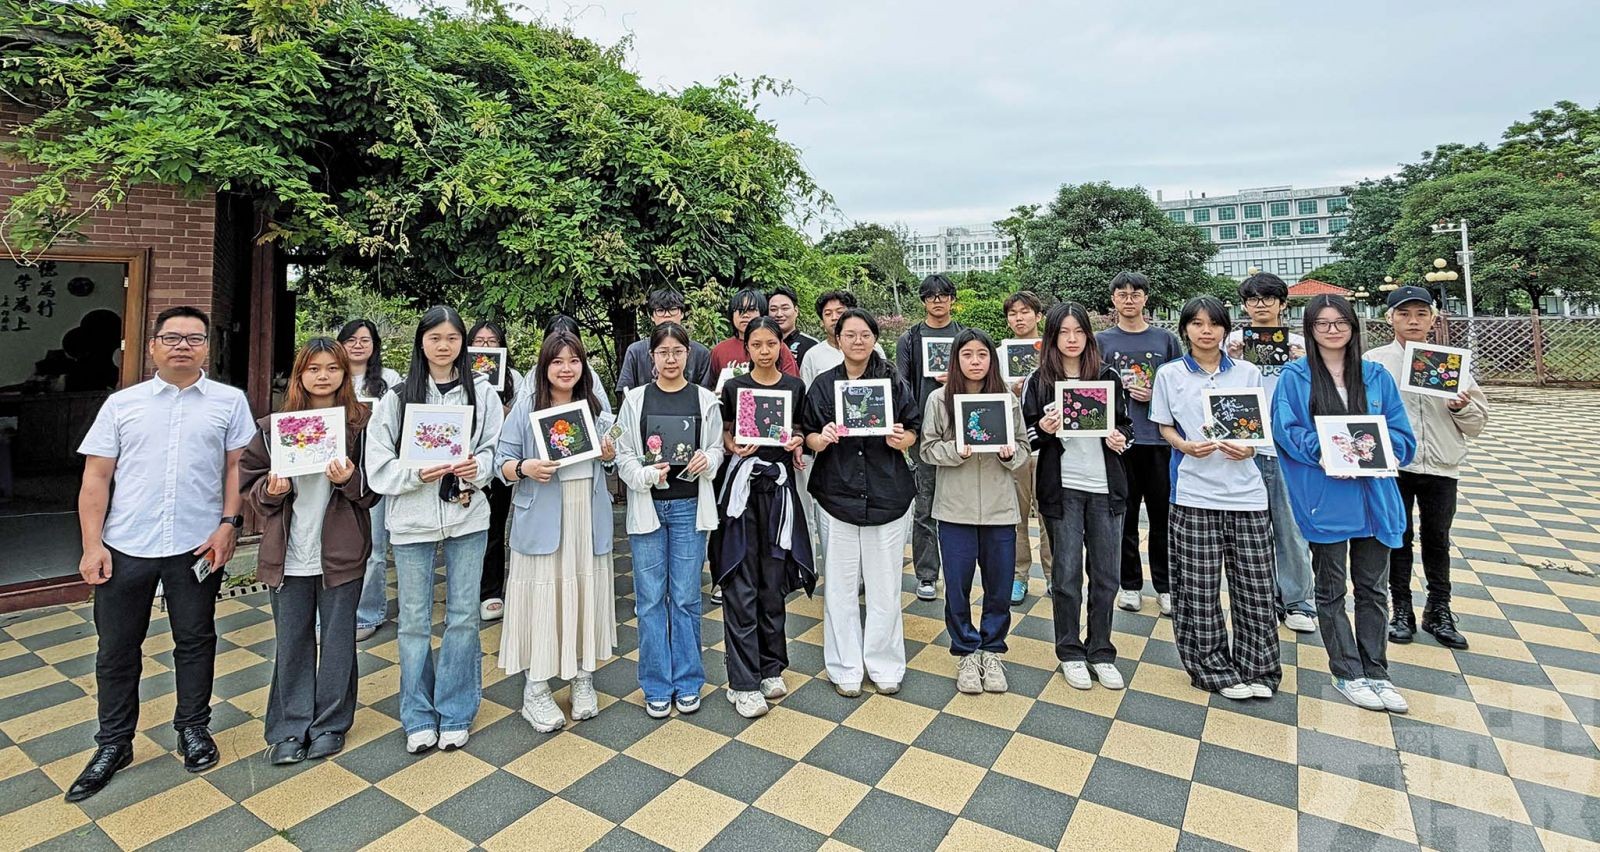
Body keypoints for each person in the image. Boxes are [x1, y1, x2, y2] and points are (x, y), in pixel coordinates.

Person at [68, 306, 254, 802]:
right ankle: (113, 743)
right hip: (125, 545)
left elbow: (238, 468)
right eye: (171, 337)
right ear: (151, 346)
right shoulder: (122, 405)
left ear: (207, 349)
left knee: (195, 640)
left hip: (197, 544)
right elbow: (96, 478)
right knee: (116, 650)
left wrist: (228, 525)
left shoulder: (229, 402)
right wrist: (92, 545)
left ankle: (192, 727)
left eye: (194, 338)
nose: (182, 346)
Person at [366, 306, 504, 754]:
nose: (444, 346)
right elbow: (377, 467)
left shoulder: (481, 395)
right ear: (421, 342)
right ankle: (418, 714)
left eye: (452, 338)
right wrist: (414, 476)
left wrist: (476, 468)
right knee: (413, 621)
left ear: (462, 344)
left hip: (466, 515)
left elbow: (491, 451)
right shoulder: (396, 397)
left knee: (463, 617)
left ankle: (456, 709)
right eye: (435, 338)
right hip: (411, 520)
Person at [1274, 295, 1417, 713]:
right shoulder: (1295, 378)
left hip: (1376, 498)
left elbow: (1402, 436)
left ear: (1353, 327)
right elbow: (1287, 431)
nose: (1332, 330)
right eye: (1322, 323)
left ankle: (1378, 671)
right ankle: (1346, 671)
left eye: (1340, 322)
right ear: (1310, 329)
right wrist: (1325, 452)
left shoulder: (1375, 376)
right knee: (1331, 589)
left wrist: (1373, 451)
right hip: (1327, 496)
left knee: (1373, 589)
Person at [240, 338, 379, 764]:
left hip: (342, 551)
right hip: (289, 553)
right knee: (292, 640)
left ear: (345, 373)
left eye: (332, 368)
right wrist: (271, 489)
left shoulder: (361, 426)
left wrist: (350, 479)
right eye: (313, 368)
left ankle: (331, 725)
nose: (323, 376)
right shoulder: (273, 427)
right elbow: (250, 488)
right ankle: (288, 728)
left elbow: (373, 490)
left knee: (338, 641)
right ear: (299, 374)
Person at [1151, 297, 1282, 701]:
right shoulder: (1170, 374)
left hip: (1247, 494)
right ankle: (1210, 667)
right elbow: (1164, 427)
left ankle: (1259, 667)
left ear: (1226, 329)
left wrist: (1251, 448)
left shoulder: (1247, 371)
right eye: (1197, 324)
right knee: (1198, 587)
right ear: (1185, 329)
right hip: (1194, 492)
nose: (1206, 331)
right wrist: (1184, 446)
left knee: (1256, 585)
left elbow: (1260, 428)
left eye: (1214, 324)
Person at [494, 330, 618, 732]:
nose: (566, 369)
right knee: (545, 597)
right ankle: (536, 688)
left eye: (574, 361)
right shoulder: (528, 406)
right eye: (557, 361)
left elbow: (614, 455)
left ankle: (583, 678)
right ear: (544, 367)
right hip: (544, 515)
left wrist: (611, 453)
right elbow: (503, 459)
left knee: (583, 595)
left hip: (587, 514)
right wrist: (525, 468)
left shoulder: (594, 406)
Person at [804, 308, 920, 697]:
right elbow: (807, 436)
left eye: (865, 334)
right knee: (838, 586)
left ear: (875, 339)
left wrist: (902, 438)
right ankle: (845, 667)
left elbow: (913, 430)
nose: (857, 341)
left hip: (887, 494)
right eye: (849, 335)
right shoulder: (822, 385)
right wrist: (822, 438)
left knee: (885, 585)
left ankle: (885, 664)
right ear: (837, 340)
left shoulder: (892, 381)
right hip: (837, 494)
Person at [1366, 286, 1487, 650]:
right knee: (1397, 537)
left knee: (1438, 537)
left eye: (1421, 313)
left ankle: (1439, 609)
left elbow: (1478, 423)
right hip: (1394, 464)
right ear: (1390, 318)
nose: (1413, 320)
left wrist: (1458, 407)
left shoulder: (1451, 363)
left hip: (1441, 463)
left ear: (1433, 318)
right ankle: (1400, 608)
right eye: (1404, 314)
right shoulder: (1375, 361)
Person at [615, 322, 725, 718]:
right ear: (652, 358)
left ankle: (689, 681)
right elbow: (624, 454)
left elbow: (716, 449)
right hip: (649, 506)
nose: (671, 359)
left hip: (688, 508)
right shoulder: (636, 400)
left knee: (685, 597)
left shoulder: (704, 400)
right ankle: (656, 684)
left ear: (688, 354)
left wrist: (707, 460)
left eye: (678, 351)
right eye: (663, 353)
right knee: (648, 601)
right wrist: (645, 475)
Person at [1024, 303, 1133, 691]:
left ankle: (1101, 650)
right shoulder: (1038, 381)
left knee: (1106, 576)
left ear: (1088, 335)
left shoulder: (1107, 377)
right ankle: (1069, 650)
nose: (1071, 340)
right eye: (1062, 333)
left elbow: (1125, 427)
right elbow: (1027, 438)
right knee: (1066, 576)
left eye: (1078, 332)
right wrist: (1045, 427)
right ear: (1050, 338)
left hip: (1106, 489)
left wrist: (1120, 439)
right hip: (1063, 489)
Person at [920, 329, 1029, 694]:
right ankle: (966, 651)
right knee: (957, 587)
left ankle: (993, 650)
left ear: (991, 359)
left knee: (998, 587)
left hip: (1000, 509)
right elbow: (926, 449)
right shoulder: (940, 399)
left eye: (982, 355)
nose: (975, 362)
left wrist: (1010, 454)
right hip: (955, 510)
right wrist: (956, 450)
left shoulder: (1007, 401)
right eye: (967, 355)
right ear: (956, 359)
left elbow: (1026, 450)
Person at [716, 317, 814, 718]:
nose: (764, 351)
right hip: (741, 493)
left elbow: (802, 432)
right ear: (746, 347)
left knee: (772, 582)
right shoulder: (735, 388)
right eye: (756, 344)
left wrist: (796, 441)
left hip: (779, 493)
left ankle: (772, 666)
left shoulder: (794, 387)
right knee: (742, 582)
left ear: (781, 346)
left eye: (771, 343)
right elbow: (724, 430)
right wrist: (731, 444)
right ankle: (742, 681)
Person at [1224, 273, 1317, 635]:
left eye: (1267, 298)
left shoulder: (1301, 345)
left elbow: (1318, 391)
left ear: (1282, 303)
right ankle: (1260, 596)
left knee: (1290, 528)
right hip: (1243, 447)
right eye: (1252, 299)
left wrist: (1303, 364)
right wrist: (1229, 362)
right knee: (1248, 531)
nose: (1260, 305)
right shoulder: (1230, 344)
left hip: (1286, 451)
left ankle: (1298, 600)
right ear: (1244, 305)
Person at [1095, 271, 1183, 616]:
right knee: (1124, 515)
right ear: (1113, 300)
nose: (1129, 299)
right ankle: (1129, 584)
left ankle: (1164, 586)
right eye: (1122, 294)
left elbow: (1180, 383)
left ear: (1146, 298)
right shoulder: (1101, 340)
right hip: (1119, 441)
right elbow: (1090, 386)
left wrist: (1155, 394)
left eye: (1136, 294)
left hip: (1159, 439)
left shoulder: (1166, 340)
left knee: (1163, 517)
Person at [895, 274, 963, 601]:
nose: (938, 301)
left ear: (952, 299)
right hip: (924, 433)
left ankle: (958, 571)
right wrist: (910, 429)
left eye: (943, 295)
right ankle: (926, 574)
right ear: (923, 301)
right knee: (924, 506)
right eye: (931, 296)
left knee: (958, 505)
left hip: (961, 430)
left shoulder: (964, 337)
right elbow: (903, 386)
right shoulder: (910, 338)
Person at [341, 320, 405, 642]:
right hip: (335, 474)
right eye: (351, 339)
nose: (357, 345)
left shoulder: (389, 380)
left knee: (375, 547)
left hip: (375, 474)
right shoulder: (332, 376)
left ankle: (367, 613)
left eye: (364, 340)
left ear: (374, 345)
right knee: (335, 544)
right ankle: (334, 614)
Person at [468, 320, 523, 623]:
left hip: (499, 459)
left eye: (491, 342)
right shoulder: (458, 375)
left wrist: (503, 412)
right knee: (464, 525)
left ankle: (491, 591)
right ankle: (465, 587)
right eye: (479, 340)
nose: (485, 347)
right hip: (465, 460)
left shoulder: (514, 377)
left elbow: (524, 415)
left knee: (495, 524)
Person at [1002, 290, 1052, 605]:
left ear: (1038, 315)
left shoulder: (1054, 352)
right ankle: (1018, 577)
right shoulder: (997, 354)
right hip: (1013, 446)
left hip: (1047, 447)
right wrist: (1008, 389)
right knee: (1015, 516)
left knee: (1050, 514)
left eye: (1025, 312)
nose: (1019, 318)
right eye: (1013, 313)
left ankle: (1054, 577)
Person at [617, 289, 714, 393]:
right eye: (660, 310)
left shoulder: (701, 353)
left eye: (672, 309)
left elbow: (706, 394)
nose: (667, 315)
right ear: (652, 316)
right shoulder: (635, 351)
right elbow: (626, 392)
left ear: (682, 314)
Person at [708, 288, 800, 385]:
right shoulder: (719, 350)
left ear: (762, 313)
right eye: (740, 310)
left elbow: (792, 387)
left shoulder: (777, 347)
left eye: (751, 310)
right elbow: (710, 388)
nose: (745, 315)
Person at [767, 285, 819, 367]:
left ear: (796, 311)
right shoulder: (762, 344)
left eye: (785, 308)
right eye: (773, 309)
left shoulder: (812, 345)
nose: (779, 314)